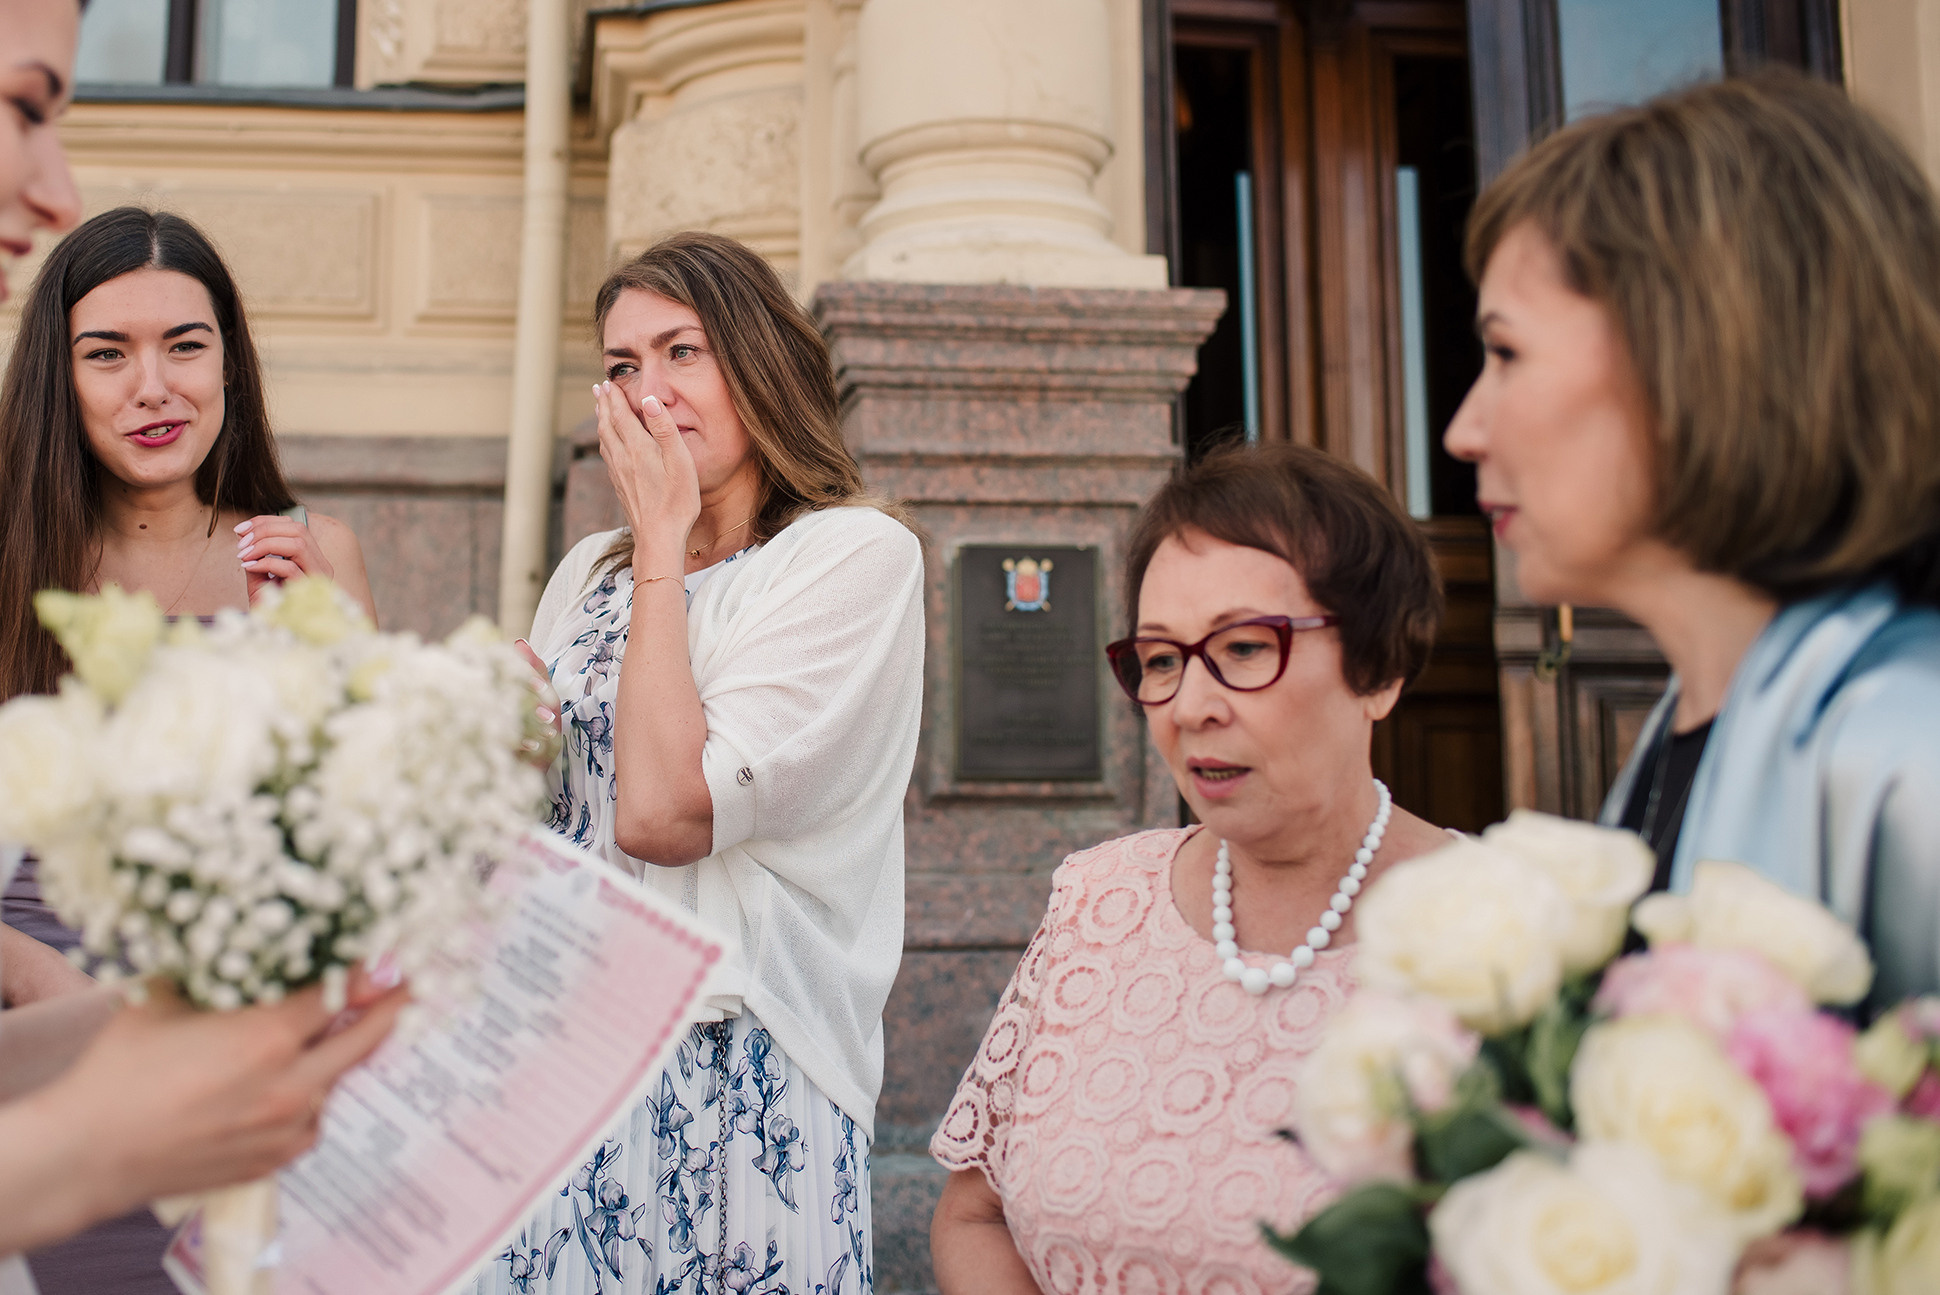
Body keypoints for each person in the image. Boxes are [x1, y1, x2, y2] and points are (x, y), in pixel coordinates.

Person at [0, 6, 402, 1289]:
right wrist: (56, 994)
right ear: (60, 377)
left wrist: (338, 654)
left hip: (245, 1076)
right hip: (40, 1067)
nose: (153, 387)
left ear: (231, 363)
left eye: (185, 345)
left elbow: (373, 842)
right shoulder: (10, 569)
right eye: (107, 354)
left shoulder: (312, 553)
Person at [481, 231, 924, 1295]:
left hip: (734, 1062)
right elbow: (550, 816)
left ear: (759, 364)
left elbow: (665, 813)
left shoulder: (850, 556)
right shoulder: (591, 570)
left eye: (682, 351)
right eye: (623, 365)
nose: (649, 392)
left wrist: (662, 547)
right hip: (561, 1047)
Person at [1445, 69, 1940, 1007]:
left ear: (1698, 355)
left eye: (1506, 352)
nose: (1464, 431)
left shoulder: (1910, 752)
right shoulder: (1678, 737)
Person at [928, 444, 1451, 1294]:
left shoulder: (1510, 932)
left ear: (1379, 667)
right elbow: (974, 1213)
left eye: (1243, 648)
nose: (1192, 707)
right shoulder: (1099, 900)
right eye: (1162, 659)